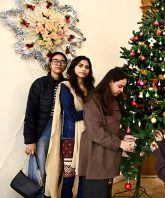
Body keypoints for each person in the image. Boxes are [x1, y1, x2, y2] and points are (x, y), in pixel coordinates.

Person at [78, 67, 136, 198]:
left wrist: (124, 136)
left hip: (107, 157)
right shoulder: (93, 99)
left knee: (105, 194)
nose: (122, 90)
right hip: (95, 158)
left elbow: (111, 127)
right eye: (120, 86)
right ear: (110, 81)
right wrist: (120, 143)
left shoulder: (112, 100)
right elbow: (95, 132)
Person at [45, 56, 95, 198]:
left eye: (87, 66)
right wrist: (92, 113)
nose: (84, 69)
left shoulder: (91, 89)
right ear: (73, 67)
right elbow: (72, 115)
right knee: (69, 178)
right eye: (80, 65)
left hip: (89, 136)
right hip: (70, 138)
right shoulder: (65, 87)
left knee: (84, 177)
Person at [23, 52, 67, 197]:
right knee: (40, 163)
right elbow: (30, 113)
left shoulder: (67, 84)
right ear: (49, 63)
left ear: (65, 65)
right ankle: (38, 195)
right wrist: (30, 140)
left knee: (57, 163)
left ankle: (51, 193)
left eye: (62, 61)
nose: (58, 64)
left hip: (62, 126)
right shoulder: (39, 83)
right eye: (55, 61)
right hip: (44, 126)